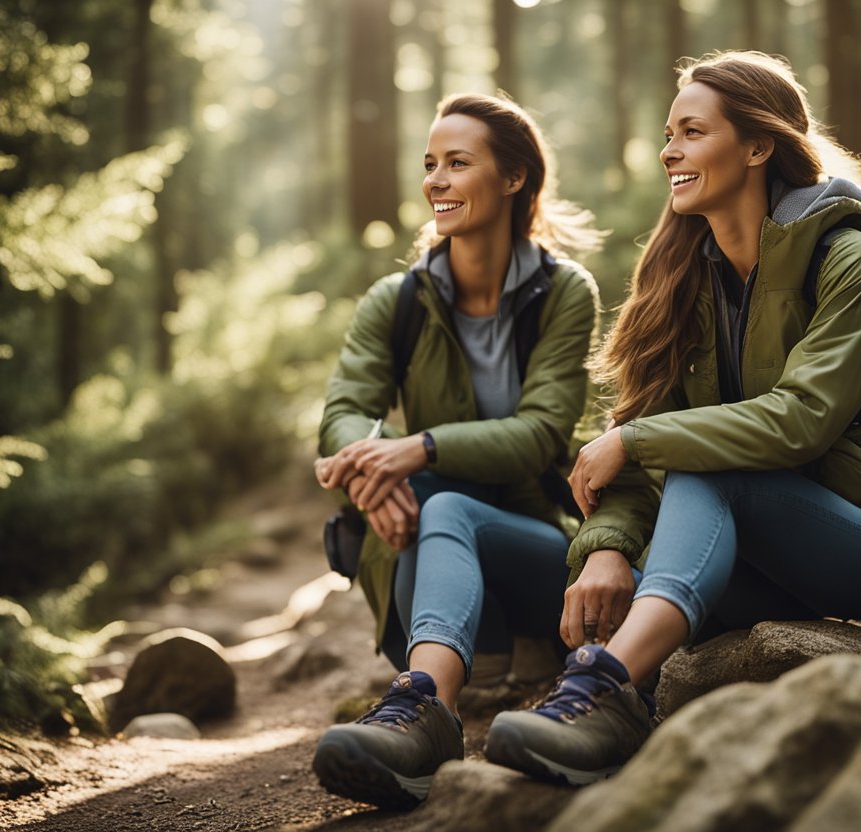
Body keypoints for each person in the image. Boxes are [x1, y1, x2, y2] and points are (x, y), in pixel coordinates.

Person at [484, 50, 861, 785]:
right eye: (667, 133)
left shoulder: (846, 253)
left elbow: (799, 421)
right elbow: (647, 429)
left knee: (717, 473)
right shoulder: (682, 274)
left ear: (757, 146)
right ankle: (608, 720)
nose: (668, 151)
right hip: (772, 557)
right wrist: (606, 547)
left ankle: (600, 693)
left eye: (691, 132)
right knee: (636, 576)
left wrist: (637, 440)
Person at [310, 92, 603, 808]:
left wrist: (415, 450)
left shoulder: (564, 293)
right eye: (429, 164)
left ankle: (424, 712)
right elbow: (347, 409)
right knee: (436, 504)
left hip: (534, 555)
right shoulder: (396, 299)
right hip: (415, 562)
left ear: (513, 179)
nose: (435, 180)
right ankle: (429, 703)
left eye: (457, 163)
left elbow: (540, 434)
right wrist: (366, 473)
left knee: (444, 504)